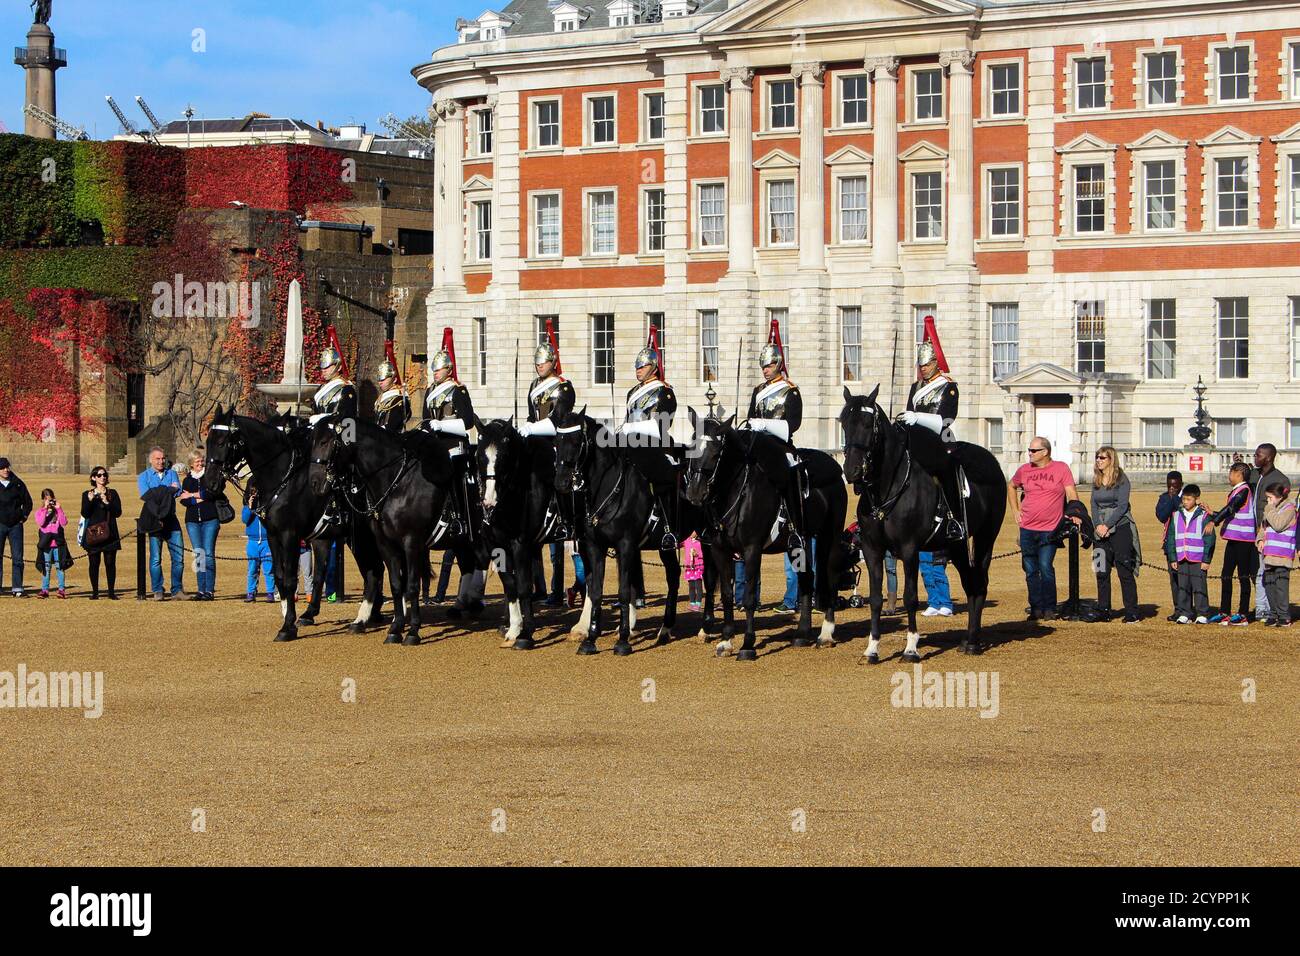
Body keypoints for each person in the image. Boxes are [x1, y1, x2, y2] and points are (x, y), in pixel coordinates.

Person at [745, 325, 805, 550]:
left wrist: (765, 425)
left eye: (769, 365)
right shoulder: (758, 390)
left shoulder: (790, 390)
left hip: (781, 447)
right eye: (763, 366)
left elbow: (793, 424)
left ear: (778, 364)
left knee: (791, 475)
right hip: (758, 446)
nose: (765, 370)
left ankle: (794, 526)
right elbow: (751, 417)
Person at [898, 336, 964, 540]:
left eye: (927, 364)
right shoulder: (915, 387)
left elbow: (947, 418)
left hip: (940, 438)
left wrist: (917, 417)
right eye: (921, 365)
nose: (923, 368)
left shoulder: (948, 386)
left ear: (936, 364)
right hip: (915, 438)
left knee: (945, 470)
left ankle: (954, 517)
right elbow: (911, 411)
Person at [619, 335, 680, 550]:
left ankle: (667, 529)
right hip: (631, 445)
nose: (638, 369)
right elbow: (628, 419)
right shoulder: (632, 393)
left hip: (656, 445)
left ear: (653, 367)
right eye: (637, 366)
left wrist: (629, 429)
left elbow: (660, 425)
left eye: (642, 366)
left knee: (660, 478)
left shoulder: (665, 392)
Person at [1009, 436, 1079, 621]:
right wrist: (1015, 510)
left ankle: (1049, 607)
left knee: (1045, 566)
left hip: (1050, 528)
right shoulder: (1024, 470)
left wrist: (1076, 512)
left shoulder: (1061, 468)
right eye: (1029, 450)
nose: (1029, 454)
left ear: (1045, 452)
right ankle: (1035, 607)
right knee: (1030, 569)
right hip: (1027, 528)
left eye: (1033, 450)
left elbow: (1071, 492)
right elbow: (1012, 485)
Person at [1090, 446, 1140, 624]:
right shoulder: (1096, 480)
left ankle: (1131, 611)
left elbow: (1122, 506)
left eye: (1102, 458)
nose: (1099, 460)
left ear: (1111, 459)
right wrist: (1097, 526)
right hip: (1099, 532)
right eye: (1097, 457)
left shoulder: (1121, 479)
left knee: (1124, 571)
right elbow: (1093, 505)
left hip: (1120, 528)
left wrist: (1108, 525)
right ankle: (1103, 609)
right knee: (1101, 570)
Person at [1207, 462, 1255, 625]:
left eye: (1230, 473)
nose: (1229, 476)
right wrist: (1212, 513)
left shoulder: (1244, 490)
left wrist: (1215, 520)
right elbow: (1230, 511)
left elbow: (1231, 508)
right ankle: (1224, 611)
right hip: (1234, 538)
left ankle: (1243, 613)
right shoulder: (1238, 490)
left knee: (1243, 576)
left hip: (1244, 539)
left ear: (1238, 474)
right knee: (1226, 574)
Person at [138, 446, 184, 600]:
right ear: (151, 460)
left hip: (172, 519)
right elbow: (147, 496)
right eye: (157, 459)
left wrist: (158, 491)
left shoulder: (172, 473)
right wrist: (167, 490)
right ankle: (158, 589)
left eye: (163, 458)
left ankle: (177, 589)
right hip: (154, 520)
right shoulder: (144, 477)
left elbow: (177, 491)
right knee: (156, 558)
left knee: (178, 557)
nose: (161, 461)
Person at [1165, 483, 1215, 624]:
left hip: (1197, 558)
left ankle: (1202, 612)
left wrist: (1206, 560)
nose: (1185, 502)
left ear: (1196, 499)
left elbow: (1210, 539)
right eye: (1184, 499)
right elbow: (1171, 538)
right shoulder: (1176, 515)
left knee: (1199, 586)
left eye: (1189, 499)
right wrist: (1173, 558)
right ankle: (1185, 612)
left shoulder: (1204, 516)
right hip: (1181, 557)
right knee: (1183, 586)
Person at [1250, 444, 1289, 623]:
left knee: (1265, 573)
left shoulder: (1279, 479)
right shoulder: (1255, 475)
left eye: (1258, 455)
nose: (1255, 458)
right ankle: (1265, 608)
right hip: (1254, 533)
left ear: (1268, 458)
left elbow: (1280, 512)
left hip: (1270, 535)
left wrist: (1263, 533)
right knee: (1255, 572)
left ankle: (1265, 609)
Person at [179, 450, 220, 601]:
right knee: (198, 554)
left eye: (202, 461)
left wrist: (192, 495)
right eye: (197, 462)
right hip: (192, 522)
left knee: (208, 553)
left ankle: (209, 590)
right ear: (191, 464)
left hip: (210, 520)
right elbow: (183, 500)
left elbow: (212, 493)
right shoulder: (187, 480)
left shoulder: (209, 476)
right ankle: (201, 590)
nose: (200, 464)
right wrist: (198, 497)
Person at [81, 466, 122, 599]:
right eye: (99, 475)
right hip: (94, 533)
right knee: (94, 563)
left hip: (110, 533)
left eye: (104, 475)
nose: (103, 477)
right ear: (93, 478)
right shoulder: (87, 494)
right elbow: (85, 513)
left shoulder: (112, 493)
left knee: (110, 563)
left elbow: (118, 512)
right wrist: (90, 500)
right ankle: (95, 592)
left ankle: (111, 592)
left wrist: (106, 501)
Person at [1257, 483, 1295, 627]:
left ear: (1279, 497)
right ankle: (1273, 614)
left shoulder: (1289, 509)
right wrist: (1260, 539)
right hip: (1269, 554)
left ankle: (1284, 615)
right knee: (1269, 585)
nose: (1268, 501)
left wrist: (1269, 509)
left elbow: (1278, 524)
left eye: (1270, 497)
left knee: (1281, 586)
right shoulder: (1271, 510)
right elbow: (1264, 527)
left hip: (1282, 554)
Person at [0, 457, 33, 597]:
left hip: (15, 525)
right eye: (2, 468)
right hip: (0, 524)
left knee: (18, 557)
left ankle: (17, 587)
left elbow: (28, 502)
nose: (6, 470)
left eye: (7, 467)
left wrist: (23, 517)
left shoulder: (18, 483)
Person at [1155, 470, 1184, 621]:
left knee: (1186, 578)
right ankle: (1178, 609)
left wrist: (1176, 500)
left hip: (1185, 543)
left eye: (1175, 486)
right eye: (1169, 486)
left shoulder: (1186, 498)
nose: (1172, 488)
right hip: (1170, 544)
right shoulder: (1164, 498)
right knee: (1174, 579)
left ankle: (1188, 608)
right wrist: (1171, 499)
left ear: (1181, 485)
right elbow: (1161, 516)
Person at [35, 488, 71, 598]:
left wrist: (59, 509)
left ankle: (61, 589)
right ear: (43, 499)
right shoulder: (39, 512)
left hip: (58, 543)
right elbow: (41, 523)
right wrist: (45, 509)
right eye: (46, 499)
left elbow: (64, 523)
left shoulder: (57, 511)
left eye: (51, 499)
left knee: (60, 567)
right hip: (46, 544)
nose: (49, 502)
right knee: (46, 567)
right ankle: (45, 590)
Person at [242, 488, 275, 603]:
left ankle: (270, 593)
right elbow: (245, 520)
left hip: (266, 542)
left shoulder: (267, 505)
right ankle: (251, 592)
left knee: (269, 569)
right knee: (252, 569)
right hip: (253, 542)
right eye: (253, 494)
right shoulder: (247, 507)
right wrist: (250, 507)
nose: (255, 496)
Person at [309, 347, 358, 424]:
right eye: (322, 367)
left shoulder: (346, 389)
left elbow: (347, 418)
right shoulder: (321, 389)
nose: (323, 370)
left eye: (327, 367)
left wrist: (322, 418)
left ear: (338, 367)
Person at [373, 361, 410, 433]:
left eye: (383, 379)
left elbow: (393, 424)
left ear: (395, 379)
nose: (380, 382)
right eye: (379, 379)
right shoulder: (380, 399)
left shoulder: (399, 399)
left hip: (393, 439)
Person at [920, 551, 954, 617]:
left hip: (936, 547)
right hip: (922, 548)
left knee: (938, 572)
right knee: (926, 573)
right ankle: (934, 604)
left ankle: (946, 605)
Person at [684, 533, 704, 610]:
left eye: (694, 531)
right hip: (689, 567)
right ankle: (692, 603)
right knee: (691, 586)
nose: (692, 533)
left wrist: (698, 554)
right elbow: (677, 544)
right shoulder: (686, 541)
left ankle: (698, 604)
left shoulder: (700, 542)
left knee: (698, 586)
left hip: (698, 566)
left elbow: (704, 554)